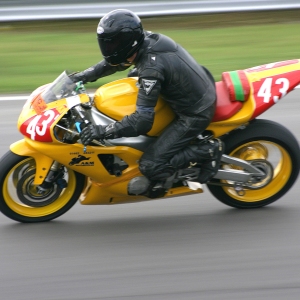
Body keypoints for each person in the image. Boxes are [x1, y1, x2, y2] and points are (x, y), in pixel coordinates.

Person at [71, 9, 223, 196]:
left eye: (113, 43)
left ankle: (208, 150)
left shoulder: (151, 68)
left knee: (150, 165)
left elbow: (142, 121)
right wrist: (81, 77)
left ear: (127, 41)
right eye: (106, 43)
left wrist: (102, 131)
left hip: (194, 111)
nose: (108, 48)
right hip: (194, 86)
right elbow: (116, 62)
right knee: (132, 75)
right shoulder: (144, 42)